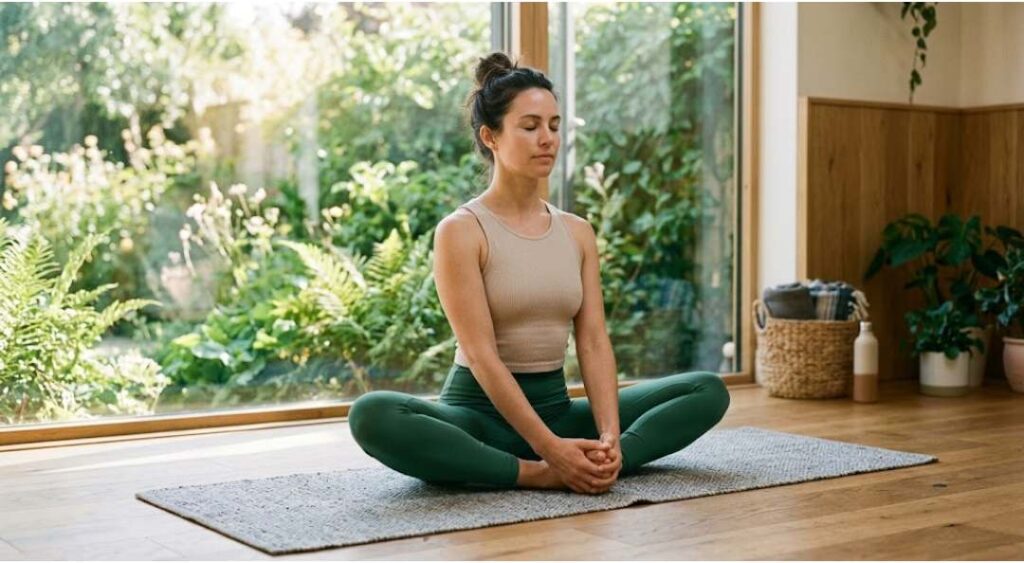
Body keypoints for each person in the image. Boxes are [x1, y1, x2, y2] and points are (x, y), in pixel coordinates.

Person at [348, 52, 731, 495]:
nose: (547, 138)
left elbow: (592, 340)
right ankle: (539, 472)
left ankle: (598, 463)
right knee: (372, 414)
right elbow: (480, 354)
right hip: (478, 418)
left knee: (706, 390)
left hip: (557, 410)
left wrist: (609, 437)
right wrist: (549, 451)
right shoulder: (461, 231)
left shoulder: (577, 232)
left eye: (553, 124)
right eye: (530, 127)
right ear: (490, 137)